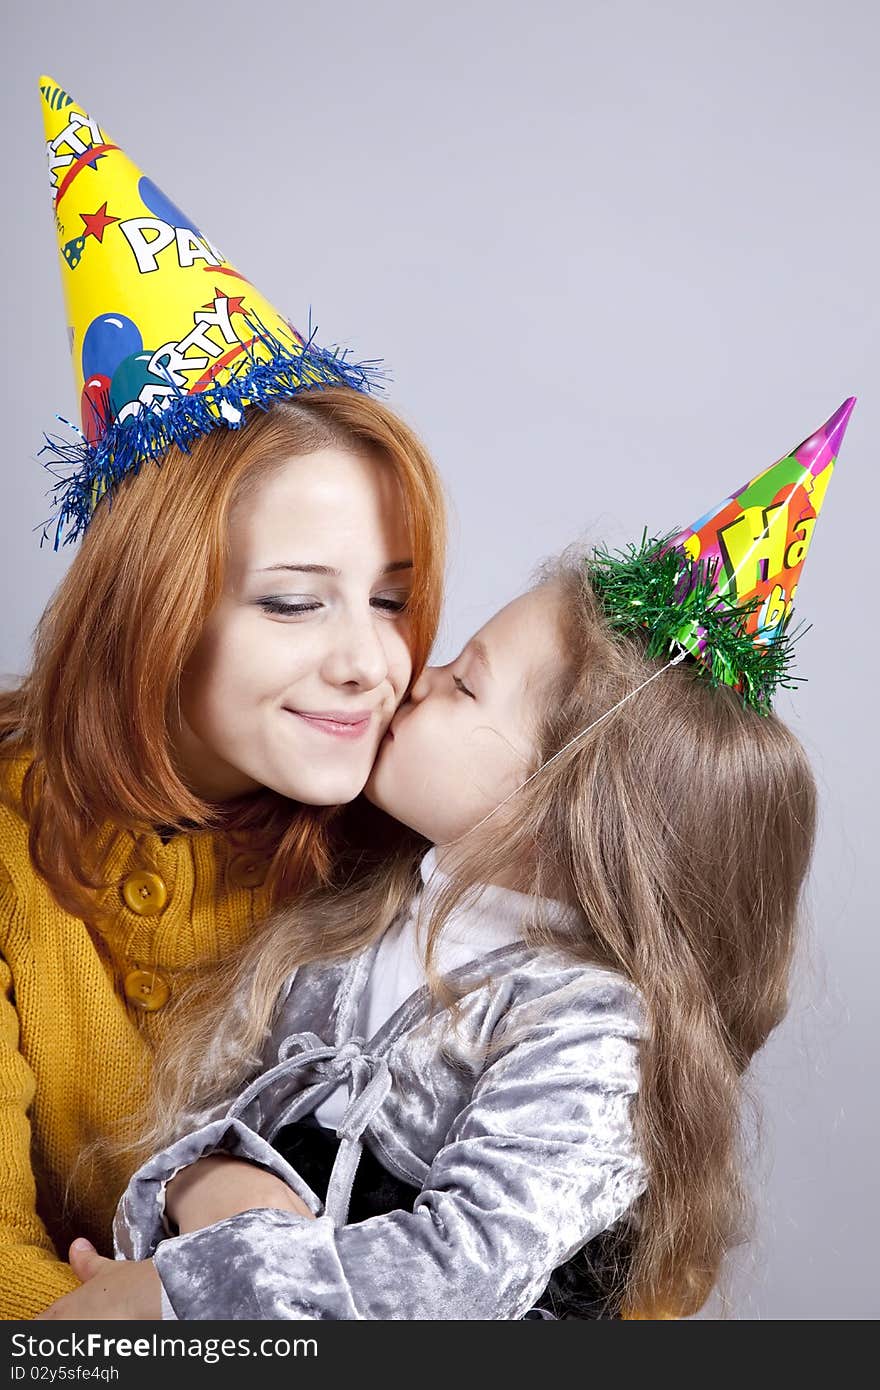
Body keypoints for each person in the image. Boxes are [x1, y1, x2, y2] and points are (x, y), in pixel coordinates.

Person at [36, 399, 854, 1321]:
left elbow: (462, 1278)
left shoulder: (585, 1030)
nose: (398, 674)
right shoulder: (365, 915)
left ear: (567, 805)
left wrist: (177, 1297)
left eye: (460, 678)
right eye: (297, 601)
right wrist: (212, 1184)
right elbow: (210, 1108)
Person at [0, 78, 446, 1319]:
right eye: (296, 602)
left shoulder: (428, 839)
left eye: (393, 598)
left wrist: (177, 1299)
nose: (373, 662)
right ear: (154, 611)